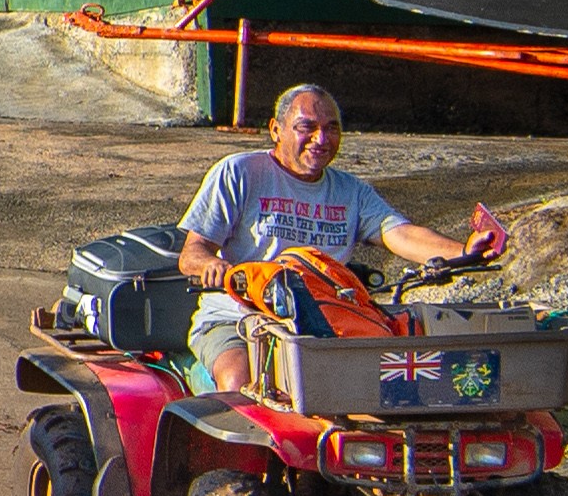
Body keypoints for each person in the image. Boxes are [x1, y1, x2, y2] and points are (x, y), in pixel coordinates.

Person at [177, 81, 500, 387]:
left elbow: (399, 233)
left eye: (332, 128)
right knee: (240, 381)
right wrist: (213, 267)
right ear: (276, 129)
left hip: (328, 323)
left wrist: (465, 251)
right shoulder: (238, 172)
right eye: (308, 127)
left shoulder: (351, 190)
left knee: (397, 383)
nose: (321, 139)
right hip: (240, 320)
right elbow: (192, 254)